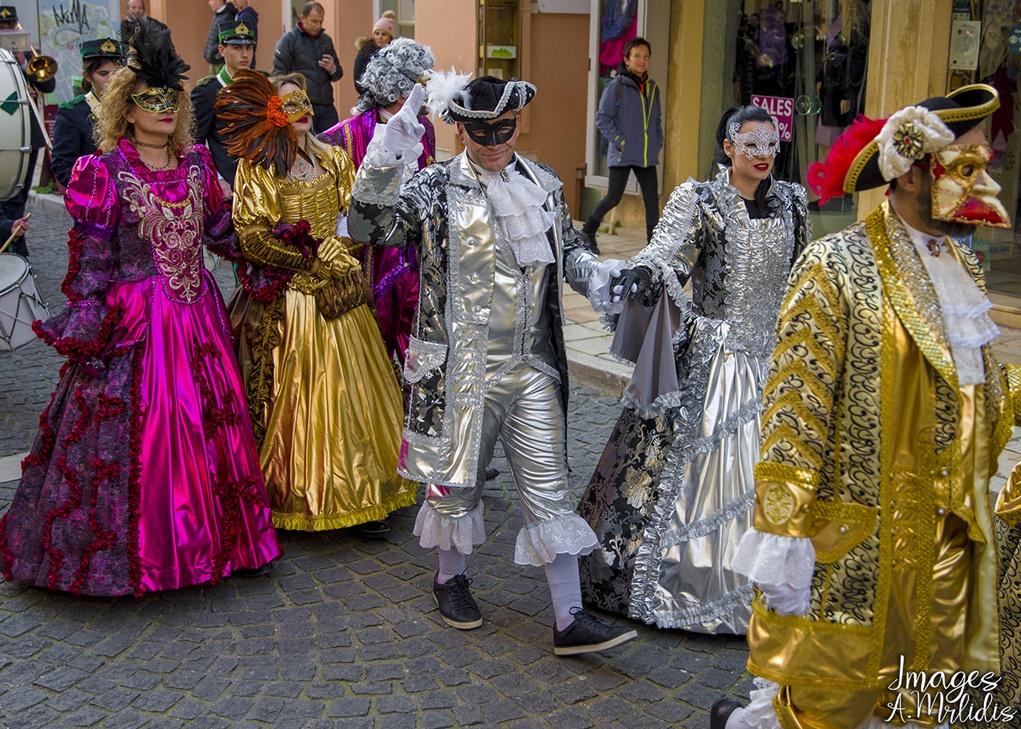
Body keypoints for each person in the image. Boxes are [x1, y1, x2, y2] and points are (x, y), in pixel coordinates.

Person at [710, 84, 1021, 729]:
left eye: (982, 167)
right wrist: (786, 535)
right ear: (909, 171)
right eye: (965, 168)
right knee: (834, 706)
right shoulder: (835, 267)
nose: (984, 186)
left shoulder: (965, 267)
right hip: (860, 548)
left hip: (948, 548)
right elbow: (795, 411)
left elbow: (971, 388)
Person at [348, 73, 638, 656]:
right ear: (462, 128)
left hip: (532, 365)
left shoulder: (543, 182)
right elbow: (364, 227)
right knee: (455, 488)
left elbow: (570, 254)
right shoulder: (435, 188)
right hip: (461, 370)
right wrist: (389, 147)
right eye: (483, 131)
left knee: (550, 492)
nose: (496, 141)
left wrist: (606, 276)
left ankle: (568, 619)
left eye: (505, 129)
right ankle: (449, 578)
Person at [0, 20, 280, 597]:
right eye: (149, 99)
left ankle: (221, 545)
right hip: (137, 318)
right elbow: (94, 259)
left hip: (196, 314)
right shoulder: (101, 173)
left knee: (209, 427)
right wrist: (88, 318)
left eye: (171, 98)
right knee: (139, 434)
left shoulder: (198, 166)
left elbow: (221, 233)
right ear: (125, 108)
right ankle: (147, 557)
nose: (163, 108)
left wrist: (275, 244)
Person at [576, 106, 808, 633]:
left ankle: (775, 584)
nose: (764, 155)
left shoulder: (793, 202)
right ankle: (684, 579)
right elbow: (663, 257)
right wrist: (643, 276)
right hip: (714, 359)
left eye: (771, 145)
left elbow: (800, 272)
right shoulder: (702, 201)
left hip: (774, 360)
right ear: (727, 147)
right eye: (751, 145)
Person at [216, 70, 416, 536]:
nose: (302, 109)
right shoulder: (259, 166)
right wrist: (308, 263)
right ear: (272, 114)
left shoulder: (334, 158)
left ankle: (365, 494)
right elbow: (252, 238)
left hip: (341, 297)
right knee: (298, 398)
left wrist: (340, 251)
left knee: (354, 394)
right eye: (289, 103)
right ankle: (291, 492)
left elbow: (358, 219)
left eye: (305, 101)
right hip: (289, 301)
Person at [319, 37, 435, 369]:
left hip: (415, 260)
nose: (425, 94)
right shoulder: (342, 136)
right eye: (419, 84)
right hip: (369, 262)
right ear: (399, 90)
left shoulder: (424, 128)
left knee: (420, 354)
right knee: (371, 354)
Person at [582, 37, 663, 254]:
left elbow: (656, 121)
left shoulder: (653, 88)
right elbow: (602, 119)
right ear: (627, 60)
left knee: (651, 202)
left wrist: (657, 143)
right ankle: (588, 232)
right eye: (637, 56)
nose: (642, 60)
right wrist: (621, 142)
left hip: (646, 155)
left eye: (646, 56)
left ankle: (653, 246)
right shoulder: (616, 87)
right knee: (613, 197)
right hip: (622, 153)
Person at [0, 5, 55, 258]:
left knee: (19, 193)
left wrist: (23, 67)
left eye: (11, 24)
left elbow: (49, 83)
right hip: (6, 131)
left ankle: (15, 238)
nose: (7, 29)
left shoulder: (26, 51)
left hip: (27, 134)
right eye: (3, 26)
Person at [191, 19, 256, 196]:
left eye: (248, 48)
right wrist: (216, 178)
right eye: (237, 48)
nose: (244, 54)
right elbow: (194, 145)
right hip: (231, 187)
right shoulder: (207, 92)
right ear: (222, 50)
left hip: (264, 184)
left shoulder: (262, 85)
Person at [51, 38, 125, 189]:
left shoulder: (131, 107)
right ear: (87, 76)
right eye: (103, 74)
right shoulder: (72, 113)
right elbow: (62, 166)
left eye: (116, 73)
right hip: (97, 198)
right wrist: (93, 189)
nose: (111, 80)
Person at [272, 2, 343, 133]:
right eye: (314, 21)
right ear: (302, 18)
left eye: (321, 22)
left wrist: (332, 68)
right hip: (303, 106)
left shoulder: (326, 40)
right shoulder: (289, 40)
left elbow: (338, 74)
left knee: (334, 143)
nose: (318, 26)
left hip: (326, 104)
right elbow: (278, 74)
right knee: (307, 146)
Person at [352, 11, 395, 96]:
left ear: (390, 37)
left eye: (384, 34)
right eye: (377, 33)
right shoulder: (365, 53)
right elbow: (358, 80)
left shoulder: (395, 54)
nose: (379, 37)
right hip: (370, 99)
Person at [203, 0, 237, 74]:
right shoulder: (217, 15)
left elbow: (226, 39)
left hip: (219, 60)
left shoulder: (228, 16)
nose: (209, 3)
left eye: (212, 0)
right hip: (212, 59)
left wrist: (215, 54)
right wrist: (207, 51)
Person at [233, 0, 258, 68]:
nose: (234, 1)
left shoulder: (245, 17)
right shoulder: (238, 15)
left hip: (245, 60)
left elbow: (245, 40)